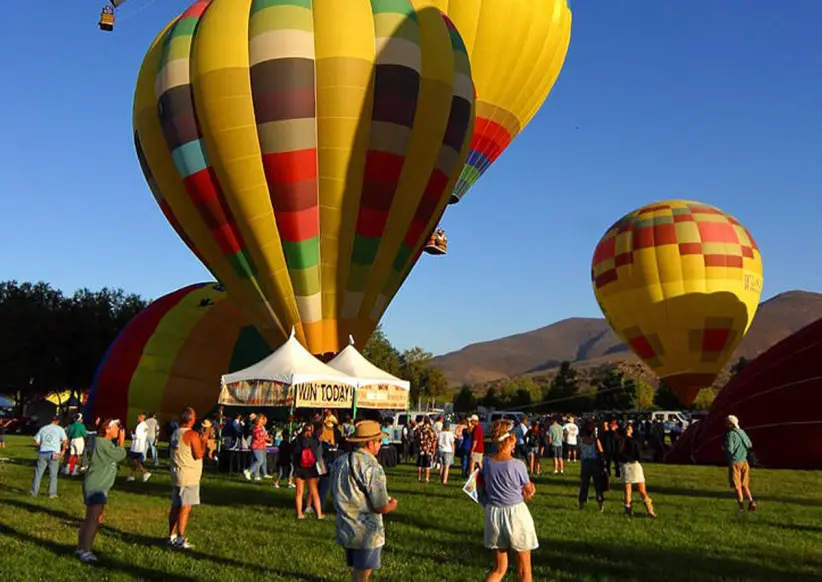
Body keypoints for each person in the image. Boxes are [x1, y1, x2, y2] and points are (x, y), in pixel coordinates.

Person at [330, 420, 398, 582]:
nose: (381, 444)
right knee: (362, 574)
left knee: (358, 570)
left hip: (345, 526)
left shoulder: (340, 461)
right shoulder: (372, 467)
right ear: (370, 443)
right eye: (379, 441)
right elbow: (380, 506)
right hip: (366, 532)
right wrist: (393, 504)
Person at [478, 420, 537, 582]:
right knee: (524, 570)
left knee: (499, 568)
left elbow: (482, 485)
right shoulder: (517, 465)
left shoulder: (487, 462)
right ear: (508, 441)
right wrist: (530, 490)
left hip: (494, 514)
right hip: (516, 513)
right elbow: (527, 489)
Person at [76, 418, 128, 563]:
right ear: (107, 429)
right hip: (96, 485)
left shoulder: (104, 442)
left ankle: (81, 547)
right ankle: (86, 551)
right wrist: (121, 442)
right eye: (116, 427)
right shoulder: (102, 442)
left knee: (92, 518)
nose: (119, 430)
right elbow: (120, 455)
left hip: (99, 485)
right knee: (92, 520)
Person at [168, 407, 207, 549]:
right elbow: (198, 454)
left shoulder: (175, 432)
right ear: (191, 419)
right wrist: (204, 441)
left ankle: (171, 535)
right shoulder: (191, 434)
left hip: (176, 472)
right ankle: (180, 538)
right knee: (185, 507)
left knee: (175, 506)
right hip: (188, 475)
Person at [617, 423, 655, 518]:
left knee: (628, 491)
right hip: (634, 464)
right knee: (641, 490)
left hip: (626, 465)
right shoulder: (632, 441)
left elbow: (618, 453)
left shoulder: (621, 440)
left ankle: (628, 510)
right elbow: (638, 453)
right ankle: (650, 510)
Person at [724, 414, 757, 512]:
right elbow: (749, 444)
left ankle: (741, 507)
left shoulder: (730, 434)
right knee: (744, 484)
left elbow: (730, 449)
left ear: (730, 424)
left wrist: (724, 449)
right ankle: (751, 501)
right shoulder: (742, 432)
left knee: (737, 486)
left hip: (735, 462)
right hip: (744, 461)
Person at [30, 416, 68, 498]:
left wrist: (43, 444)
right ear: (57, 421)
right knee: (53, 475)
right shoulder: (60, 429)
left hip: (43, 452)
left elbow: (36, 442)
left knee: (38, 474)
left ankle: (34, 492)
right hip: (54, 453)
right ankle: (52, 493)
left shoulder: (43, 428)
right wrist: (63, 450)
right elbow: (65, 440)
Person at [293, 421, 324, 520]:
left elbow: (293, 452)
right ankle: (319, 514)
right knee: (314, 492)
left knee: (299, 492)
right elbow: (317, 453)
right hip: (310, 468)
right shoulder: (315, 441)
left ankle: (299, 514)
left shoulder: (297, 440)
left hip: (299, 468)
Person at [577, 421, 605, 512]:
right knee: (598, 485)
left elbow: (579, 451)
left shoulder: (581, 440)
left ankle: (581, 503)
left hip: (585, 463)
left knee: (584, 484)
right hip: (595, 462)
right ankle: (600, 503)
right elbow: (601, 451)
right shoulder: (595, 440)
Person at [245, 415, 270, 481]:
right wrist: (264, 437)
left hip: (261, 446)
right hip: (256, 446)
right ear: (258, 420)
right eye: (262, 418)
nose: (263, 420)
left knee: (258, 460)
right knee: (260, 460)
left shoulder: (261, 427)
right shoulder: (256, 427)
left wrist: (268, 438)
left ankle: (256, 475)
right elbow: (258, 436)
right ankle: (248, 471)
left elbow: (264, 436)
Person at [127, 413, 152, 482]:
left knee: (134, 460)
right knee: (136, 461)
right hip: (141, 445)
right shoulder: (145, 426)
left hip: (136, 446)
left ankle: (145, 472)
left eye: (138, 417)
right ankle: (132, 475)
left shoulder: (139, 426)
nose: (137, 418)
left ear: (142, 418)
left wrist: (131, 434)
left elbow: (137, 436)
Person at [416, 417, 437, 484]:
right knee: (427, 465)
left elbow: (416, 437)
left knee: (420, 464)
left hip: (421, 449)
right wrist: (433, 449)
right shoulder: (431, 430)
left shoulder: (420, 429)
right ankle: (426, 479)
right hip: (428, 449)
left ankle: (419, 478)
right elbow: (434, 440)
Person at [437, 420, 456, 485]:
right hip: (448, 450)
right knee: (446, 467)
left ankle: (441, 479)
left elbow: (437, 441)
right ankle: (444, 480)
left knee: (441, 466)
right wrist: (453, 451)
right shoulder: (450, 433)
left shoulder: (440, 433)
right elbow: (452, 443)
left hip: (440, 450)